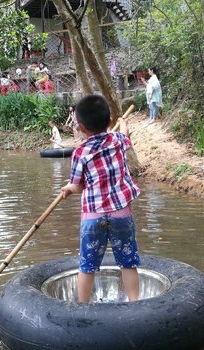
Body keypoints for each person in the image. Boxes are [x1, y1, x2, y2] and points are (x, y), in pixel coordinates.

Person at [61, 95, 141, 304]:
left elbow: (78, 186)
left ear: (80, 127)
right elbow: (125, 135)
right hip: (121, 214)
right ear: (108, 122)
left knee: (87, 265)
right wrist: (123, 124)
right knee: (128, 262)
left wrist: (69, 188)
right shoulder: (119, 141)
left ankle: (83, 307)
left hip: (93, 217)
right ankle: (135, 304)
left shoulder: (80, 153)